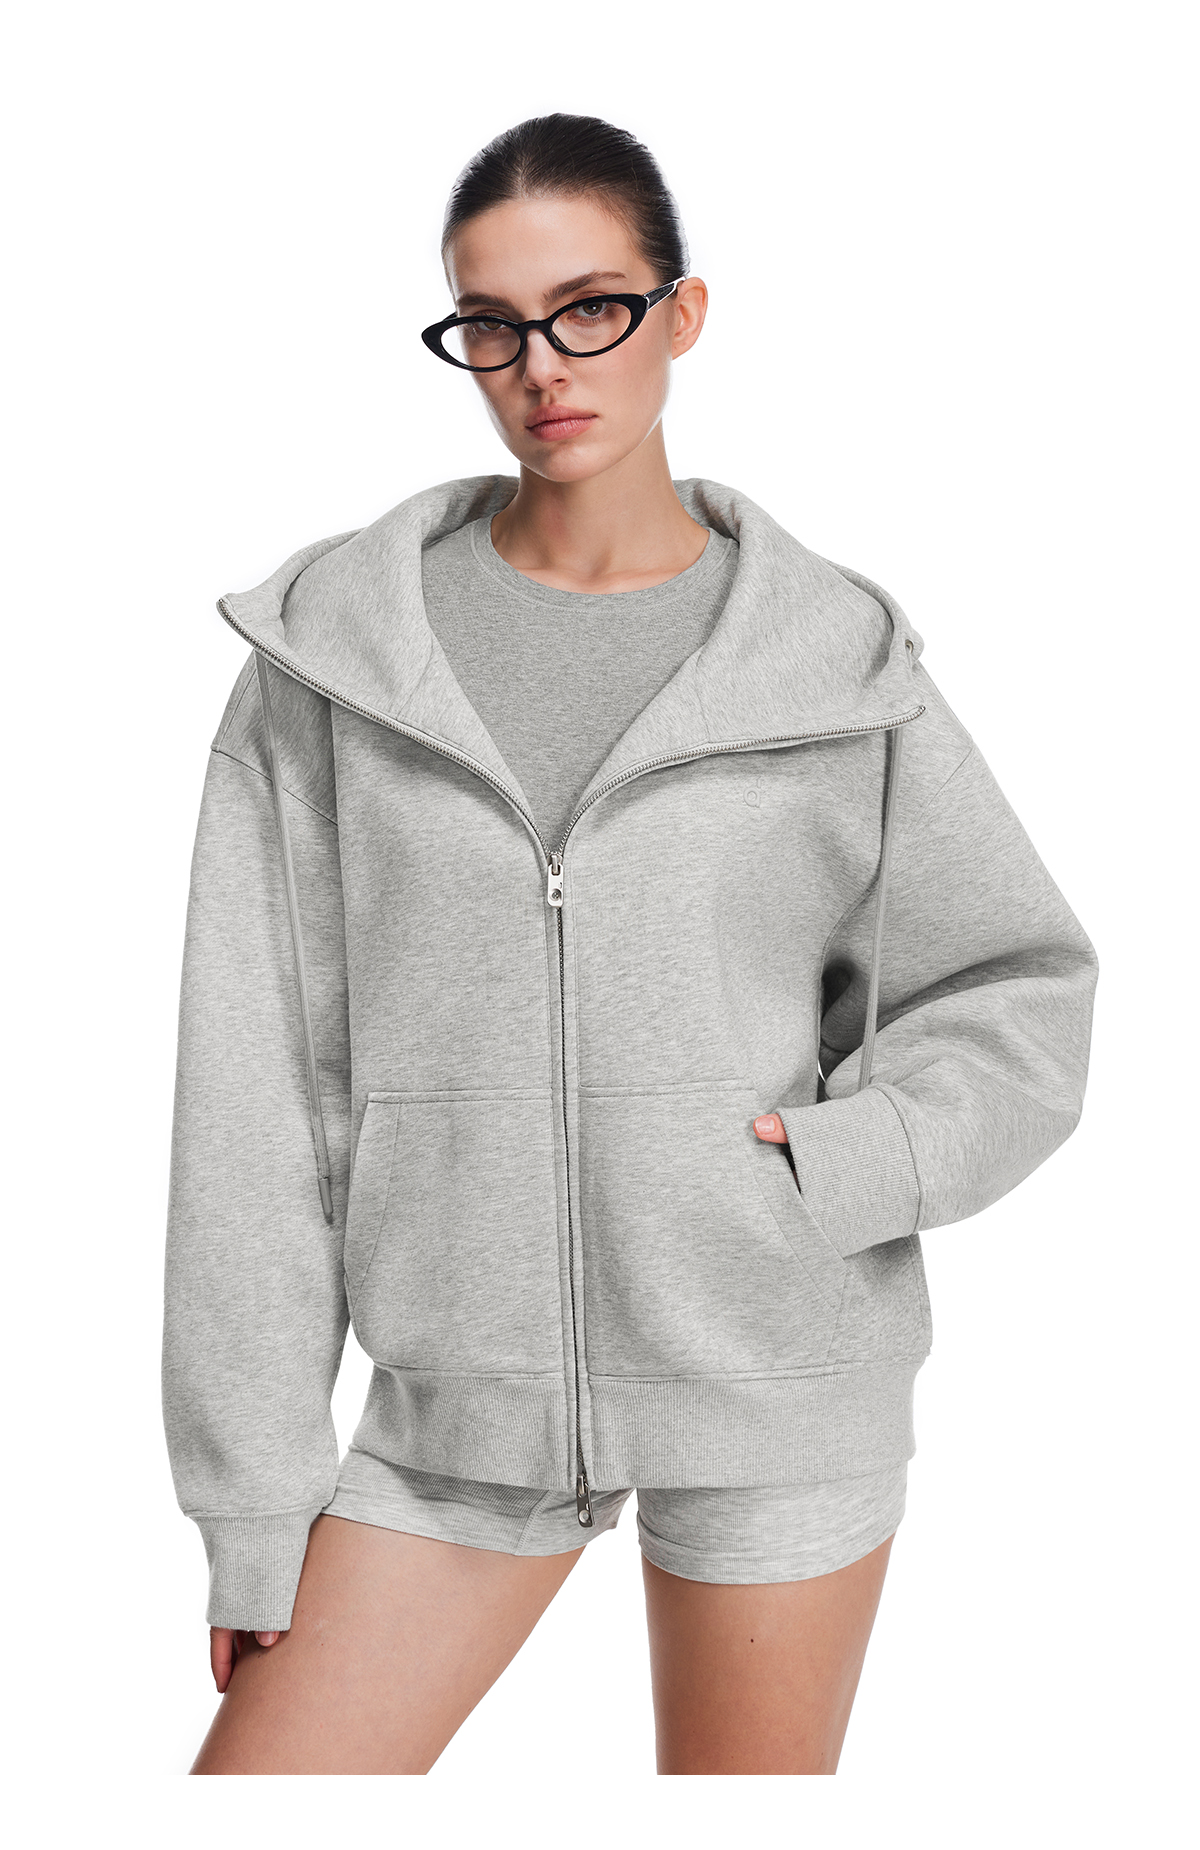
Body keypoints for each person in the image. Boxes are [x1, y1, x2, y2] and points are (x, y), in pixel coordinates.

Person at [163, 113, 1098, 1775]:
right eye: (493, 324)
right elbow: (255, 1098)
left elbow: (1016, 985)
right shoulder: (332, 666)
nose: (543, 365)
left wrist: (838, 1166)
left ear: (683, 312)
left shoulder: (827, 662)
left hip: (777, 1365)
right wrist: (253, 1499)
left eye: (591, 307)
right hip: (454, 1405)